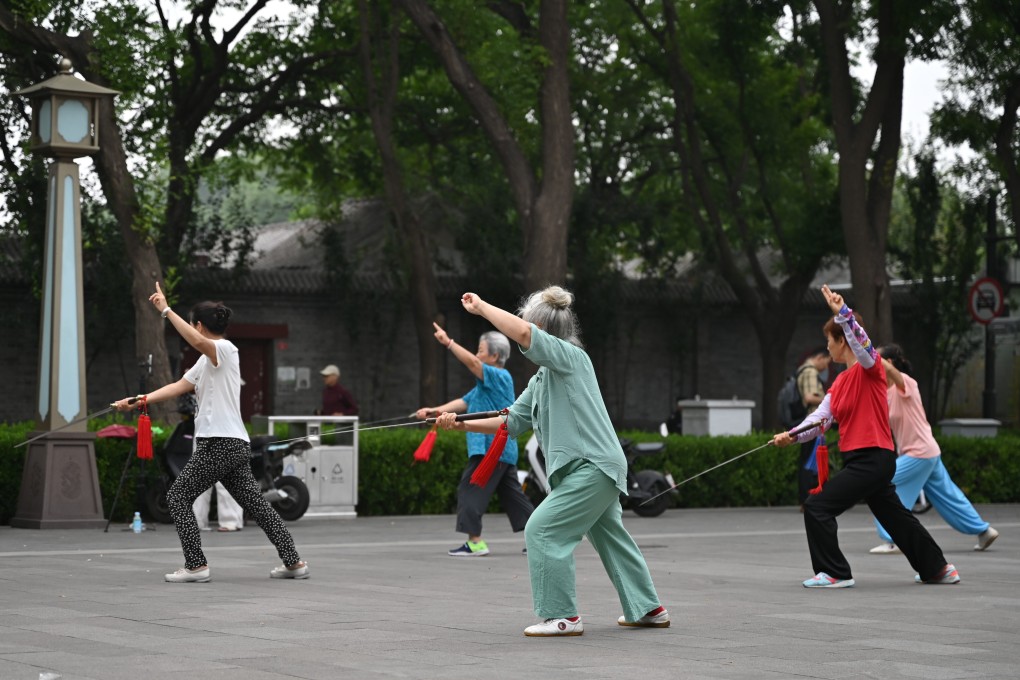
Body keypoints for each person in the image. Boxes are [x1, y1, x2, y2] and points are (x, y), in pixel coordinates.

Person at [436, 287, 668, 637]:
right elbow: (510, 421)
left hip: (593, 467)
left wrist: (482, 307)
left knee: (541, 530)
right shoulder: (542, 378)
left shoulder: (572, 358)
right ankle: (649, 609)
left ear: (542, 326)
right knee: (611, 538)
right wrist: (457, 423)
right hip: (595, 469)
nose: (522, 332)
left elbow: (526, 334)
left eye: (528, 323)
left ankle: (562, 616)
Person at [114, 283, 308, 583]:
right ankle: (294, 562)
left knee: (178, 495)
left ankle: (196, 565)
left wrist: (166, 311)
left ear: (199, 325)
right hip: (231, 445)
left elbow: (197, 341)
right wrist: (140, 400)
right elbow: (178, 386)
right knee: (256, 505)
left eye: (194, 326)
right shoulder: (206, 362)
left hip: (219, 444)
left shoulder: (225, 350)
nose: (193, 331)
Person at [772, 285, 959, 588]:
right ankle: (938, 568)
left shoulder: (871, 369)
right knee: (896, 517)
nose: (827, 347)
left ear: (841, 340)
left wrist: (843, 314)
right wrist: (790, 436)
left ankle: (835, 572)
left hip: (872, 458)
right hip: (865, 460)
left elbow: (863, 344)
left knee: (818, 508)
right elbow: (820, 421)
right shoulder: (840, 383)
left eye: (829, 340)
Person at [416, 322, 533, 557]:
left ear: (495, 355)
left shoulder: (500, 377)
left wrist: (448, 343)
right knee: (514, 499)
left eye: (481, 350)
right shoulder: (483, 385)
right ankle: (544, 537)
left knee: (470, 488)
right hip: (501, 450)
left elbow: (472, 363)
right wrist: (434, 411)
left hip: (491, 449)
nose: (477, 354)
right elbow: (463, 403)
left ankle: (475, 542)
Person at [868, 344, 999, 554]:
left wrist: (867, 349)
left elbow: (893, 374)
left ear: (888, 363)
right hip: (927, 453)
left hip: (919, 453)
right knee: (949, 496)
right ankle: (983, 531)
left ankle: (891, 539)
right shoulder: (887, 392)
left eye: (876, 359)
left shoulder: (907, 383)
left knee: (880, 482)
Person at [795, 348, 831, 507]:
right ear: (820, 358)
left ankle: (806, 499)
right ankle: (807, 499)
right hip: (811, 424)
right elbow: (810, 397)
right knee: (809, 463)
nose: (825, 367)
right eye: (826, 362)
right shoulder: (810, 372)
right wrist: (829, 400)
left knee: (806, 461)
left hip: (808, 422)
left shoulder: (802, 370)